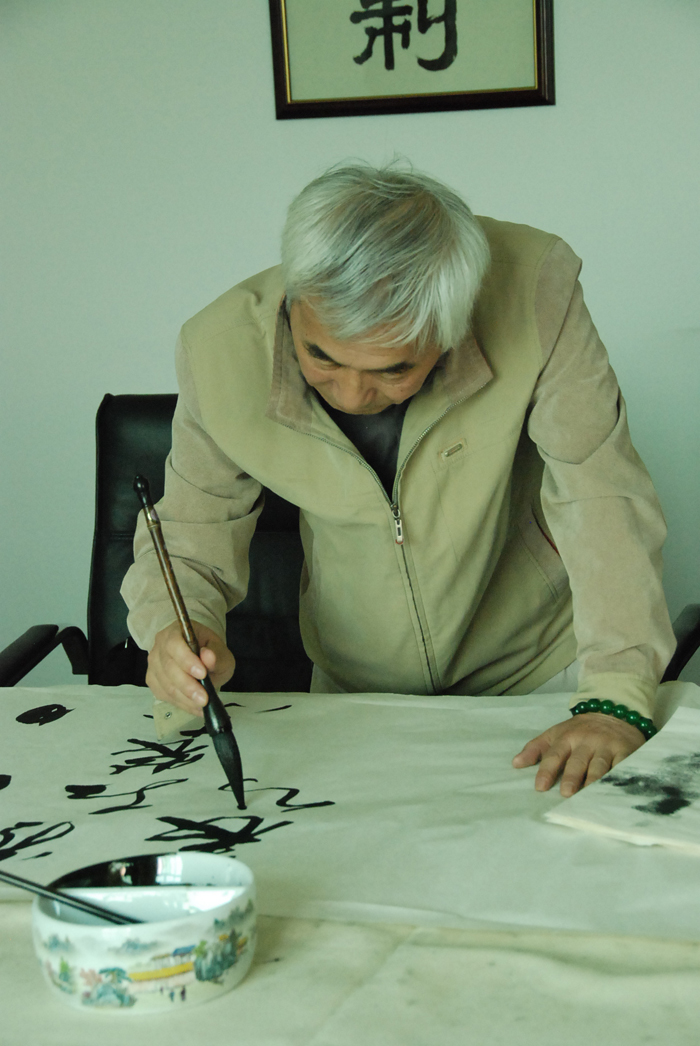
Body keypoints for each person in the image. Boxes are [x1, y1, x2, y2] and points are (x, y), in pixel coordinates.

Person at [122, 162, 675, 797]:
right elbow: (192, 532)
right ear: (294, 302)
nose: (352, 394)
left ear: (451, 331)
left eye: (393, 369)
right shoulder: (216, 350)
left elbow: (601, 493)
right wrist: (177, 628)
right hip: (355, 693)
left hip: (539, 675)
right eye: (321, 356)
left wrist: (616, 695)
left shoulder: (533, 291)